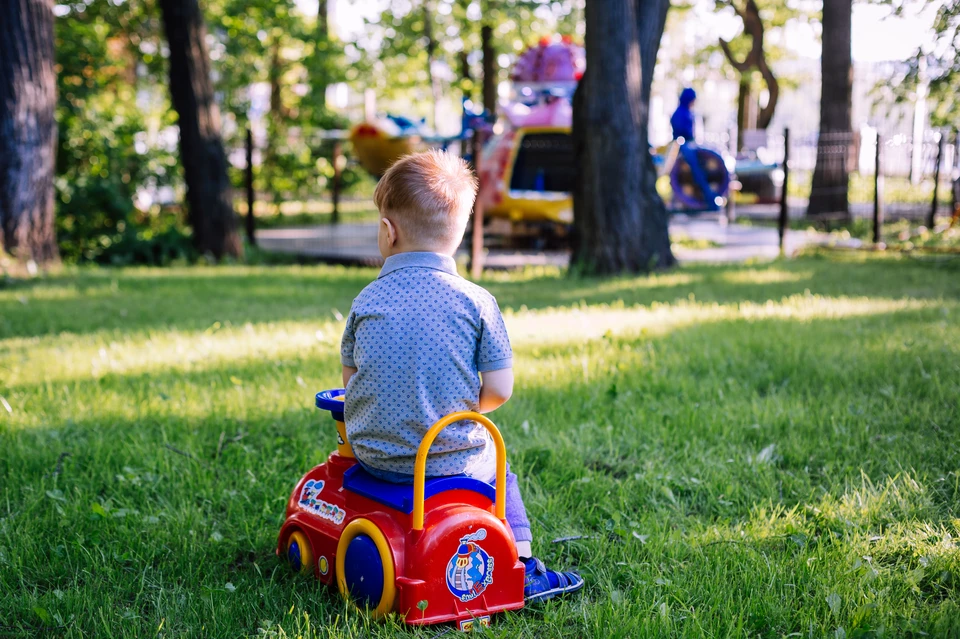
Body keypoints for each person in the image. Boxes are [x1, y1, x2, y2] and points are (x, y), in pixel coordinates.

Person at [339, 149, 584, 603]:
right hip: (448, 460)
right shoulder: (476, 302)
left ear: (388, 232)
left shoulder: (365, 301)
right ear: (458, 232)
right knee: (494, 455)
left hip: (375, 457)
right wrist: (467, 406)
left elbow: (352, 381)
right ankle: (524, 565)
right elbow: (499, 390)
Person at [670, 87, 722, 211]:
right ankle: (709, 198)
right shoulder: (681, 113)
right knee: (697, 170)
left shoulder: (686, 112)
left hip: (688, 145)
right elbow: (684, 133)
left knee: (701, 165)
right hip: (683, 146)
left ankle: (709, 197)